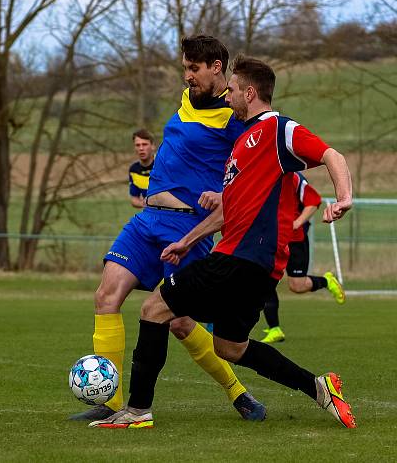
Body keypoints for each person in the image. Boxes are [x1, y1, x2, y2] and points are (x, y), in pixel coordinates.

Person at [90, 55, 356, 429]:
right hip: (256, 268)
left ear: (250, 92)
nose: (227, 96)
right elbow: (228, 210)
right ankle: (318, 387)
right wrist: (188, 240)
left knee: (155, 308)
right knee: (229, 346)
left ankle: (137, 410)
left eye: (231, 90)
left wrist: (343, 196)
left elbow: (331, 154)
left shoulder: (277, 128)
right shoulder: (240, 143)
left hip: (241, 257)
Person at [70, 35, 266, 422]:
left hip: (187, 226)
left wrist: (222, 192)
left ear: (216, 68)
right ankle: (110, 402)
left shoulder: (234, 117)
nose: (187, 75)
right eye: (185, 68)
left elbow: (249, 168)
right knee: (106, 296)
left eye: (194, 68)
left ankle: (237, 391)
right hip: (146, 220)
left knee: (178, 322)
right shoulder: (186, 99)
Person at [261, 172, 346, 343]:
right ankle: (274, 328)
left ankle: (326, 281)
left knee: (297, 286)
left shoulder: (293, 177)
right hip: (272, 239)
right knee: (265, 280)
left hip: (295, 240)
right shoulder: (265, 172)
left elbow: (314, 201)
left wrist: (296, 223)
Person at [128, 129, 156, 209]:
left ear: (153, 146)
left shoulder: (163, 166)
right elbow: (134, 199)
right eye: (138, 145)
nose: (141, 148)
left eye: (144, 144)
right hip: (150, 214)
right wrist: (144, 204)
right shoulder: (134, 170)